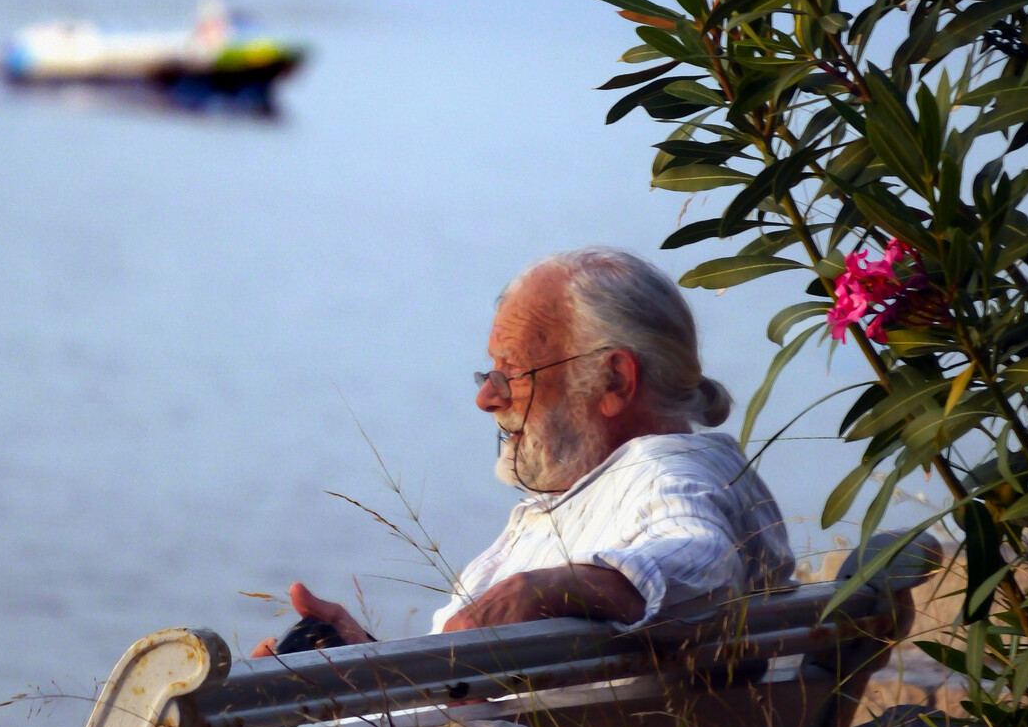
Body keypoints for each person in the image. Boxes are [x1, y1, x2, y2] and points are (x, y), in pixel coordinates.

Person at [251, 247, 793, 657]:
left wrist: (540, 588)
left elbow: (705, 560)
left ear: (614, 380)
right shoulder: (616, 486)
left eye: (512, 374)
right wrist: (364, 660)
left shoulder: (669, 476)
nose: (486, 397)